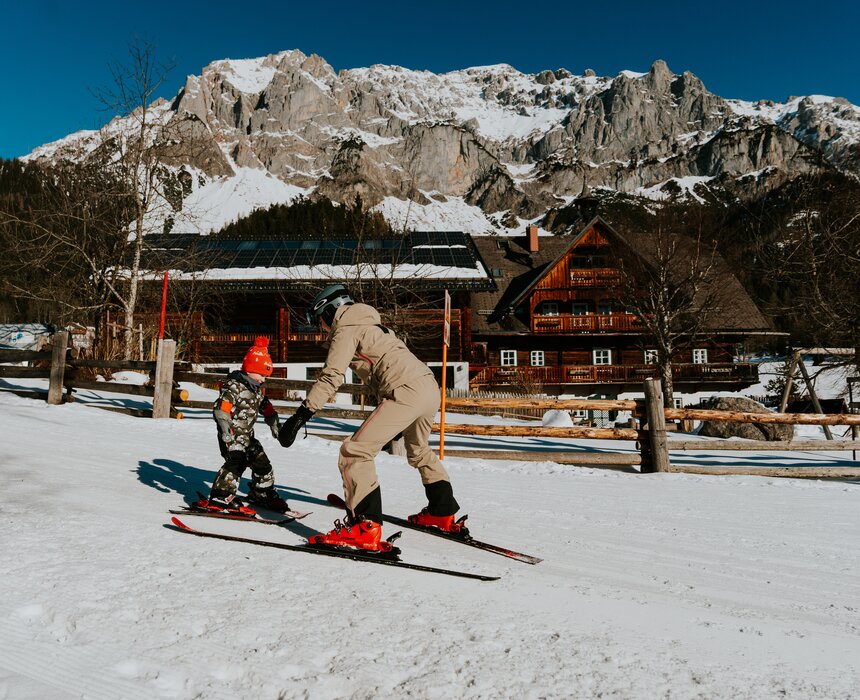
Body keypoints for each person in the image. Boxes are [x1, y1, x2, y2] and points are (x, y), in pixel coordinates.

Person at [279, 284, 461, 552]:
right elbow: (384, 372)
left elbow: (332, 377)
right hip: (428, 386)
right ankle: (442, 512)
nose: (322, 328)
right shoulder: (379, 328)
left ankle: (363, 529)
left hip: (406, 391)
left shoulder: (346, 329)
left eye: (319, 321)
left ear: (329, 312)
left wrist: (300, 415)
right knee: (419, 450)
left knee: (354, 451)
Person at [198, 336, 292, 514]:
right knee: (236, 462)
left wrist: (275, 426)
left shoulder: (255, 390)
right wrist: (225, 428)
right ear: (251, 369)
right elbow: (221, 408)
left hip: (248, 437)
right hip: (231, 436)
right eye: (262, 374)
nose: (264, 379)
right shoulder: (234, 386)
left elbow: (268, 409)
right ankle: (221, 495)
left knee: (262, 462)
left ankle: (262, 492)